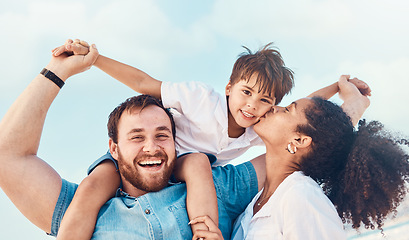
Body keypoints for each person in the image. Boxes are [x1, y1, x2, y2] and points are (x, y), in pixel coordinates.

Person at [51, 39, 372, 239]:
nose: (251, 106)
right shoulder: (201, 99)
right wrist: (94, 59)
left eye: (265, 101)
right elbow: (143, 81)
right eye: (246, 92)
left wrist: (337, 90)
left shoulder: (255, 129)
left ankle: (205, 231)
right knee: (93, 187)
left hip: (182, 166)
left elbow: (305, 120)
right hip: (147, 153)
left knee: (197, 164)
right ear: (229, 87)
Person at [0, 43, 267, 239]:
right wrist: (57, 70)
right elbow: (6, 156)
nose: (151, 147)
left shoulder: (218, 187)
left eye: (162, 135)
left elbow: (294, 143)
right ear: (113, 149)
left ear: (176, 142)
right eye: (137, 137)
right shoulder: (83, 209)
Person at [188, 76, 409, 240]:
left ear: (300, 140)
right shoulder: (257, 201)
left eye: (287, 110)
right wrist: (353, 103)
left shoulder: (301, 197)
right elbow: (328, 139)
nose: (274, 107)